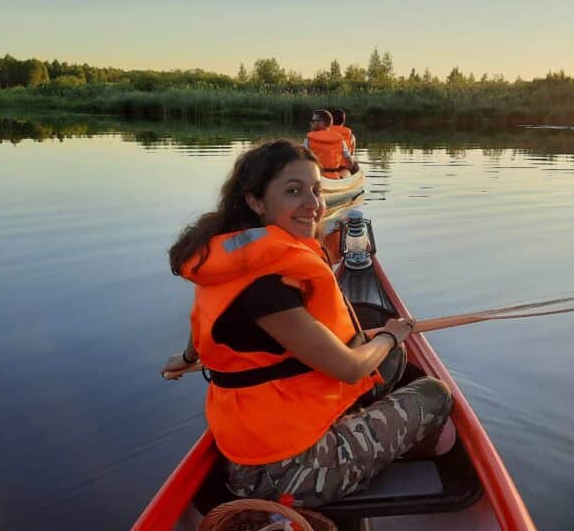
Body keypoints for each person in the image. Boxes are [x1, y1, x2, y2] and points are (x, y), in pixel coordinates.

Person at [161, 140, 452, 507]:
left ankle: (358, 428)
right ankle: (380, 452)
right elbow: (348, 368)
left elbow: (205, 318)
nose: (313, 204)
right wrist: (392, 336)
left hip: (270, 428)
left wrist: (188, 358)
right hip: (281, 472)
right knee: (434, 393)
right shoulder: (267, 291)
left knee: (389, 363)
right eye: (293, 191)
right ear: (255, 201)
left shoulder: (233, 257)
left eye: (316, 190)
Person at [304, 109, 354, 178]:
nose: (311, 123)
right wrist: (350, 171)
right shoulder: (340, 140)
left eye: (313, 121)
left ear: (321, 123)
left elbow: (302, 159)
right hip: (334, 177)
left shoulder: (308, 140)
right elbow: (349, 160)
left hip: (316, 176)